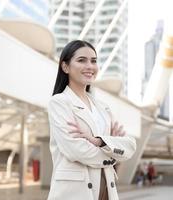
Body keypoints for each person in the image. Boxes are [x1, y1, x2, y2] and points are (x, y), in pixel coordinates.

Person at [47, 40, 136, 200]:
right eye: (82, 60)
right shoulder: (59, 102)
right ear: (65, 67)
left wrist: (100, 142)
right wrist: (113, 150)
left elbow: (130, 146)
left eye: (93, 61)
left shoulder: (103, 108)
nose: (90, 66)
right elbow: (75, 150)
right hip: (75, 193)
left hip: (106, 192)